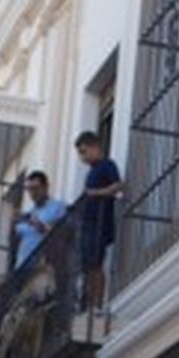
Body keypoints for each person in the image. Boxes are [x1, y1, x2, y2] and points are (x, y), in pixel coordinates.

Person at [74, 129, 122, 310]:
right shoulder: (93, 170)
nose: (82, 157)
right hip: (89, 224)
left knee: (95, 264)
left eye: (84, 152)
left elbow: (118, 186)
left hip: (99, 224)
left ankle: (96, 306)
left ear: (95, 147)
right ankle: (88, 303)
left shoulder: (107, 165)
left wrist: (96, 193)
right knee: (88, 266)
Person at [12, 170, 67, 269]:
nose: (33, 193)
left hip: (43, 267)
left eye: (36, 188)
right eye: (29, 190)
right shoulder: (29, 213)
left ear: (46, 187)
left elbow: (63, 234)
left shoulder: (58, 207)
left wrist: (40, 226)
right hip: (22, 266)